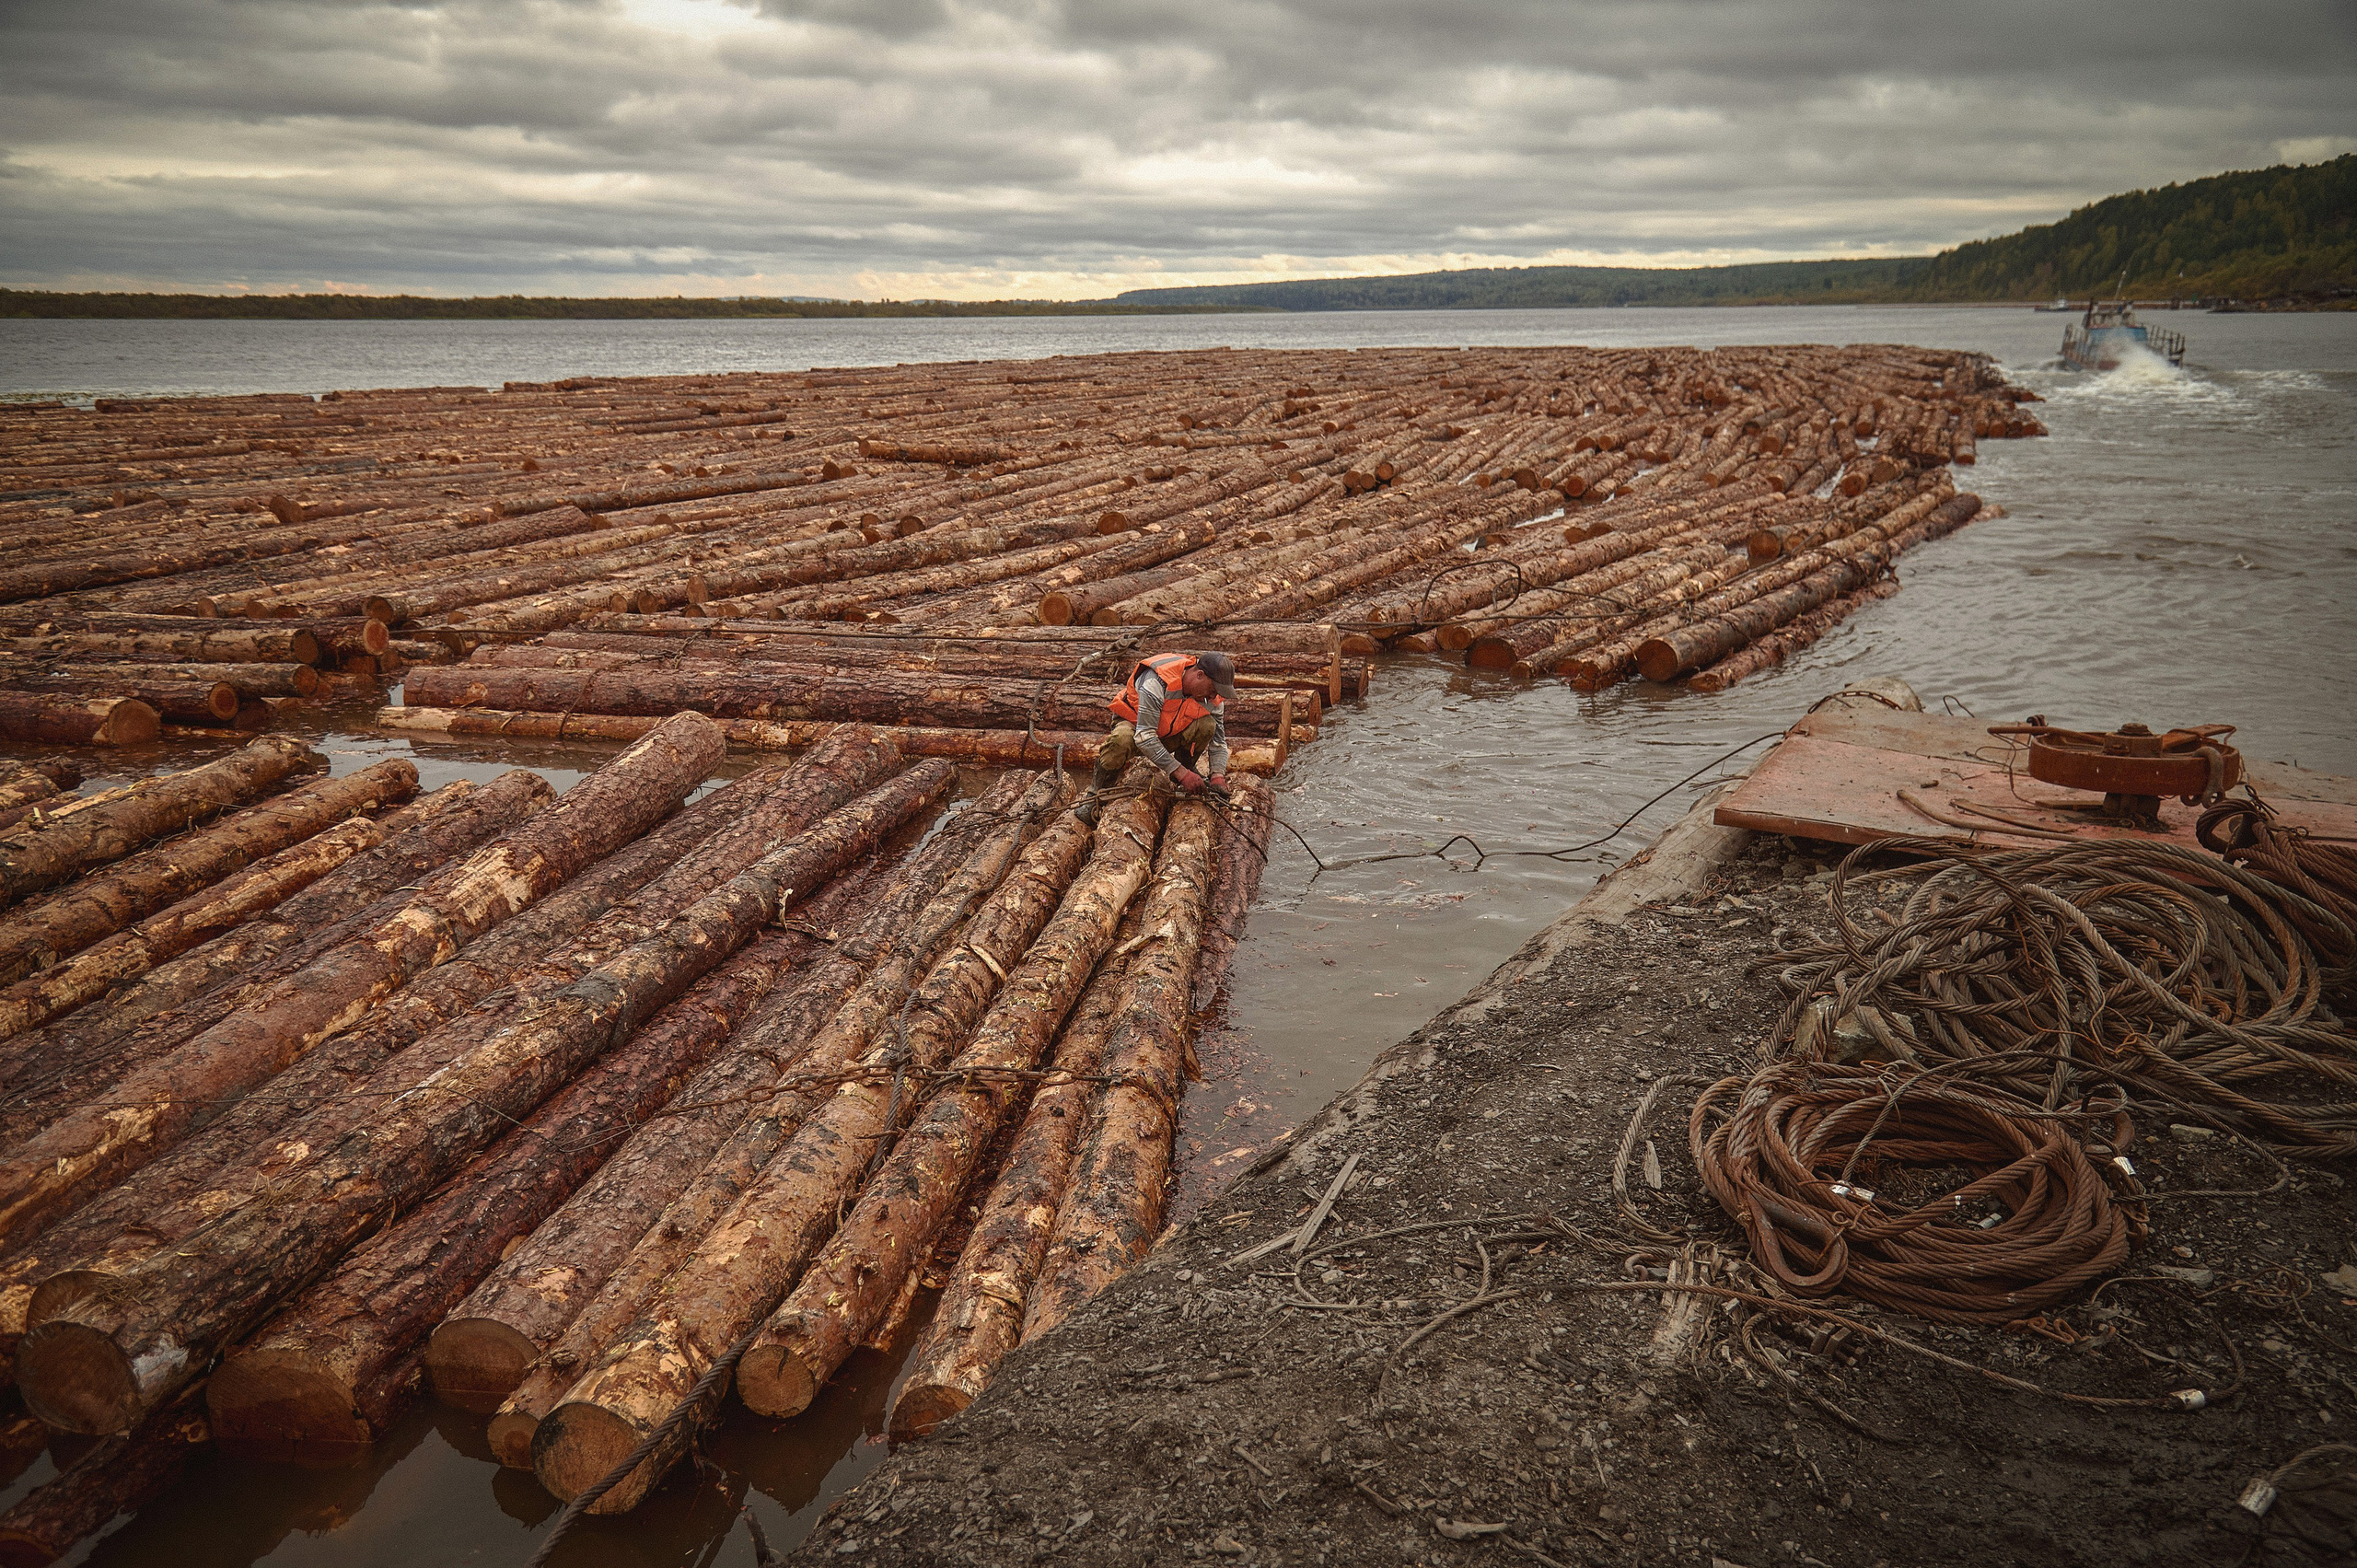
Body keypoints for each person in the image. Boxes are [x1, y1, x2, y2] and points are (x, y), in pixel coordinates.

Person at [1073, 651, 1236, 824]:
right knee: (1120, 740)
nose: (1213, 697)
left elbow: (1219, 741)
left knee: (1207, 725)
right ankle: (1096, 795)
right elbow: (1145, 736)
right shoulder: (1157, 681)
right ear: (1199, 675)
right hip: (1137, 727)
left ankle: (1186, 769)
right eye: (1212, 690)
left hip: (1170, 730)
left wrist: (1217, 775)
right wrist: (1181, 774)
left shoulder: (1213, 697)